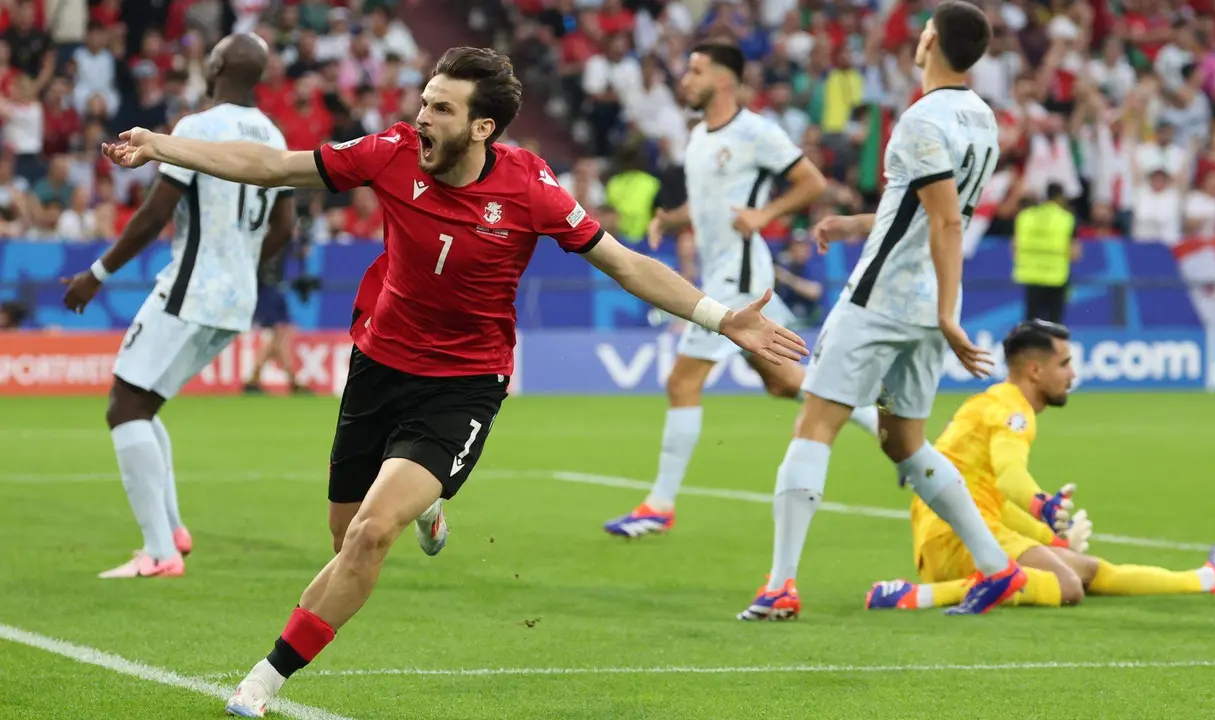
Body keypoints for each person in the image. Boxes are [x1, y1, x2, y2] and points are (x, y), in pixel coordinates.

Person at [101, 46, 806, 717]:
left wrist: (722, 319)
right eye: (424, 102)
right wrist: (165, 145)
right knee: (344, 534)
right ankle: (430, 505)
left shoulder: (530, 187)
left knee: (373, 534)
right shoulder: (391, 153)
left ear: (482, 126)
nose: (421, 118)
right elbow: (273, 165)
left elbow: (624, 263)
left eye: (440, 108)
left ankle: (263, 678)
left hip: (464, 384)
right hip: (379, 367)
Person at [736, 1, 1028, 621]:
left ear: (931, 42)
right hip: (922, 307)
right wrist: (857, 224)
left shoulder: (921, 119)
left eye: (924, 29)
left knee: (815, 424)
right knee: (905, 442)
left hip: (882, 300)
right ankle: (999, 569)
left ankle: (780, 584)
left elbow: (947, 220)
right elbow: (930, 213)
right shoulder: (983, 119)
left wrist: (952, 315)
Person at [603, 42, 875, 539]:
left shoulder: (755, 131)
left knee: (682, 382)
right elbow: (711, 205)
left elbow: (811, 181)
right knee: (783, 381)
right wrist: (673, 217)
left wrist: (766, 216)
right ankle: (884, 426)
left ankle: (660, 505)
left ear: (724, 79)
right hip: (726, 271)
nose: (685, 79)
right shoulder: (701, 136)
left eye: (696, 70)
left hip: (742, 277)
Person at [61, 34, 295, 580]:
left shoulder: (196, 128)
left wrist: (97, 275)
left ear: (214, 65)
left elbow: (153, 213)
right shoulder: (274, 135)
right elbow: (284, 226)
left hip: (192, 287)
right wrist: (241, 263)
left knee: (124, 407)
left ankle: (159, 551)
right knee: (144, 402)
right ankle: (172, 533)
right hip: (238, 296)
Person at [866, 321, 1215, 611]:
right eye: (1064, 364)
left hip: (954, 533)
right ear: (1035, 370)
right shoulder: (1012, 411)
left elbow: (989, 497)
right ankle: (917, 596)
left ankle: (1210, 578)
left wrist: (1051, 538)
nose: (1073, 374)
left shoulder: (991, 402)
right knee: (1067, 586)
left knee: (1089, 569)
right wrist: (1042, 505)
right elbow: (1010, 477)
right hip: (953, 540)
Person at [243, 237, 306, 394]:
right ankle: (291, 380)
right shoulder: (272, 232)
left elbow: (297, 251)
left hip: (274, 287)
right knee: (279, 331)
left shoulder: (276, 234)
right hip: (266, 288)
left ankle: (255, 379)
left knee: (279, 334)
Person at [1012, 181, 1078, 324]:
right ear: (1060, 197)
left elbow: (1015, 246)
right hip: (1056, 277)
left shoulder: (1026, 216)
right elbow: (1074, 253)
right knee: (1055, 324)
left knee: (1031, 323)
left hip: (1031, 275)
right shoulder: (1066, 218)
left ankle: (1029, 346)